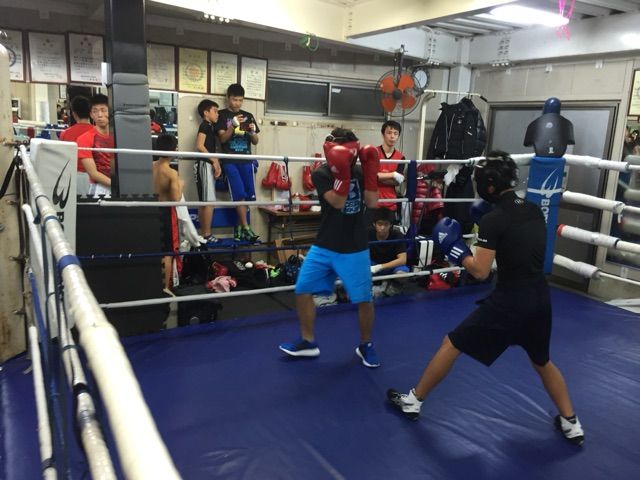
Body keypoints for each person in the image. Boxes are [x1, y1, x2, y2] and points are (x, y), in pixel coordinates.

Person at [387, 151, 585, 446]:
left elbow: (480, 272)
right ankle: (571, 423)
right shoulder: (533, 210)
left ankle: (413, 402)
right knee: (542, 361)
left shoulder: (494, 220)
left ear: (489, 186)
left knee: (451, 343)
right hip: (540, 298)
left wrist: (456, 249)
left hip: (509, 302)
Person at [279, 128, 382, 368]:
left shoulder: (360, 170)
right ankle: (308, 342)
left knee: (364, 299)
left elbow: (372, 202)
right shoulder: (321, 173)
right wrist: (342, 174)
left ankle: (365, 345)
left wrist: (370, 174)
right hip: (325, 244)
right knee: (303, 289)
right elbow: (337, 201)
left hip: (355, 246)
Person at [216, 83, 260, 243]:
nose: (237, 103)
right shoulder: (221, 115)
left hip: (246, 161)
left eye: (240, 100)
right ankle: (246, 227)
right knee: (239, 195)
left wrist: (252, 131)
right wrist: (233, 126)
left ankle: (240, 227)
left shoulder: (248, 115)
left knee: (247, 196)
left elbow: (255, 141)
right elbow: (222, 139)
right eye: (235, 100)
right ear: (228, 98)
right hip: (230, 160)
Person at [153, 134, 183, 293]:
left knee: (154, 248)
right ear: (174, 150)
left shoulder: (150, 166)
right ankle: (165, 288)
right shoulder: (171, 173)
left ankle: (154, 285)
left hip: (149, 209)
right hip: (165, 211)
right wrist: (181, 184)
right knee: (167, 252)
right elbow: (176, 199)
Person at [195, 99, 222, 243]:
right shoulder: (204, 125)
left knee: (205, 202)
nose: (217, 114)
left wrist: (215, 162)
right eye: (215, 111)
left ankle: (204, 234)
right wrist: (214, 160)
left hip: (207, 164)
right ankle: (206, 234)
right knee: (209, 202)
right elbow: (199, 145)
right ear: (206, 113)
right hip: (204, 165)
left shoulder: (210, 127)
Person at [76, 94, 114, 198]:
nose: (100, 115)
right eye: (95, 111)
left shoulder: (119, 136)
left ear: (110, 112)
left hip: (122, 186)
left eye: (103, 110)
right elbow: (93, 173)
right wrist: (117, 186)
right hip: (99, 188)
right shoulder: (84, 139)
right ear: (91, 115)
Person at [59, 96, 94, 195]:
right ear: (90, 112)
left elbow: (63, 158)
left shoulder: (65, 133)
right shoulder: (98, 133)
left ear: (74, 114)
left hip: (73, 177)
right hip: (95, 177)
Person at [375, 120, 406, 214]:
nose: (392, 136)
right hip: (373, 202)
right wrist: (393, 174)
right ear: (383, 134)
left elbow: (397, 182)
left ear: (398, 136)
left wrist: (378, 177)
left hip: (391, 202)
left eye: (395, 133)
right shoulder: (374, 153)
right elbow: (370, 176)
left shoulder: (401, 158)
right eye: (389, 133)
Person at [369, 207, 408, 276]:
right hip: (373, 264)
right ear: (374, 224)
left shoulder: (397, 235)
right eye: (379, 224)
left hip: (392, 265)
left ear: (391, 225)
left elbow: (403, 260)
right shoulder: (368, 233)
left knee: (402, 274)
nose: (382, 227)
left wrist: (379, 267)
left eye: (386, 224)